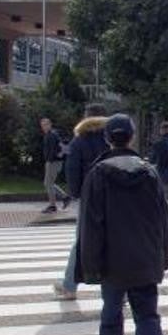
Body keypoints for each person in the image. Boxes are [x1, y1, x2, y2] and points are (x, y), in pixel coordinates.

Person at [77, 113, 168, 335]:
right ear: (131, 137)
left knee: (111, 313)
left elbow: (90, 225)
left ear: (107, 138)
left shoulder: (98, 174)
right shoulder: (149, 172)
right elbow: (162, 219)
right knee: (148, 317)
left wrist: (89, 265)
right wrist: (164, 256)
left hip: (111, 261)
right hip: (144, 258)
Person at [54, 104, 109, 301]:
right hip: (114, 198)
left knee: (82, 242)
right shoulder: (112, 138)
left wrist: (76, 193)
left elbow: (72, 172)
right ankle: (118, 292)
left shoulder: (79, 142)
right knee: (113, 242)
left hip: (90, 198)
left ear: (85, 118)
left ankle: (69, 286)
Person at [40, 117, 70, 214]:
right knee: (48, 183)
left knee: (48, 183)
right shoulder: (50, 134)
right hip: (52, 161)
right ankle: (64, 197)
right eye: (42, 125)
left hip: (53, 162)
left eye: (46, 124)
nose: (44, 127)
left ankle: (53, 206)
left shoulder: (52, 135)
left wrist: (50, 160)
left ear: (50, 124)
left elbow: (54, 150)